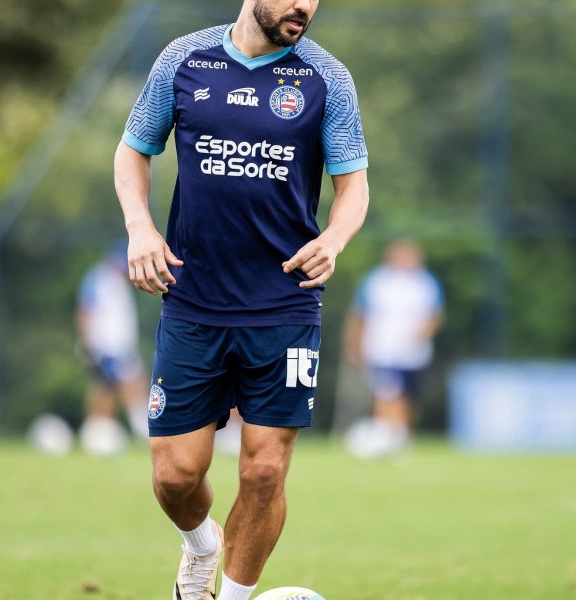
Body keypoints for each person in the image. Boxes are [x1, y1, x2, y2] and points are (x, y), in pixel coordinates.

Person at [114, 0, 369, 597]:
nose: (303, 6)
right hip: (192, 298)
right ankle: (201, 547)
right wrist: (140, 227)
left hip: (284, 302)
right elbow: (133, 151)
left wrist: (334, 238)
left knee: (264, 469)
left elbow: (352, 184)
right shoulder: (183, 59)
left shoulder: (326, 77)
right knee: (176, 476)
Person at [343, 239, 443, 455]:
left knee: (408, 397)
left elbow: (435, 314)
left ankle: (402, 436)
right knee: (388, 394)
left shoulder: (426, 282)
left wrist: (421, 335)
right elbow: (359, 315)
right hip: (382, 350)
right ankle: (388, 439)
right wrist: (354, 346)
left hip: (415, 354)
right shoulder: (376, 281)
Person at [76, 244, 149, 454]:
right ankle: (140, 431)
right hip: (108, 346)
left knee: (106, 388)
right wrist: (87, 342)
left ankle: (97, 433)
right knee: (125, 386)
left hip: (120, 347)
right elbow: (85, 310)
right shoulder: (100, 278)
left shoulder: (117, 282)